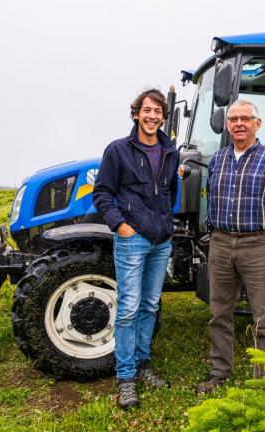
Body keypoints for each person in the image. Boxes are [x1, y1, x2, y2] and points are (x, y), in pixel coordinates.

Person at [195, 99, 265, 394]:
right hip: (221, 242)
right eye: (233, 119)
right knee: (219, 313)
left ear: (257, 123)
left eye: (245, 118)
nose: (238, 123)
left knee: (264, 316)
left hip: (258, 245)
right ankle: (219, 372)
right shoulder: (218, 159)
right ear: (227, 125)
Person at [92, 89, 179, 409]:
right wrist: (121, 226)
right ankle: (126, 377)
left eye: (158, 111)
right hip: (133, 239)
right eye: (147, 110)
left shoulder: (171, 153)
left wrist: (167, 225)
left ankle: (143, 365)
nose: (152, 116)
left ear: (163, 116)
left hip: (161, 241)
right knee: (128, 309)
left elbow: (170, 192)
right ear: (136, 114)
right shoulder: (118, 151)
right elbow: (101, 194)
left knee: (150, 306)